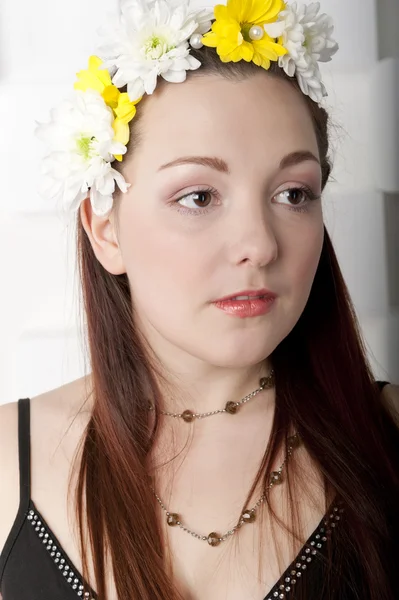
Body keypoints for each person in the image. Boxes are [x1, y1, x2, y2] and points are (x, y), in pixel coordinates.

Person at [0, 1, 398, 599]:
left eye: (294, 193)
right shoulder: (8, 461)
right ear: (106, 230)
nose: (260, 245)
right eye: (198, 197)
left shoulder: (387, 436)